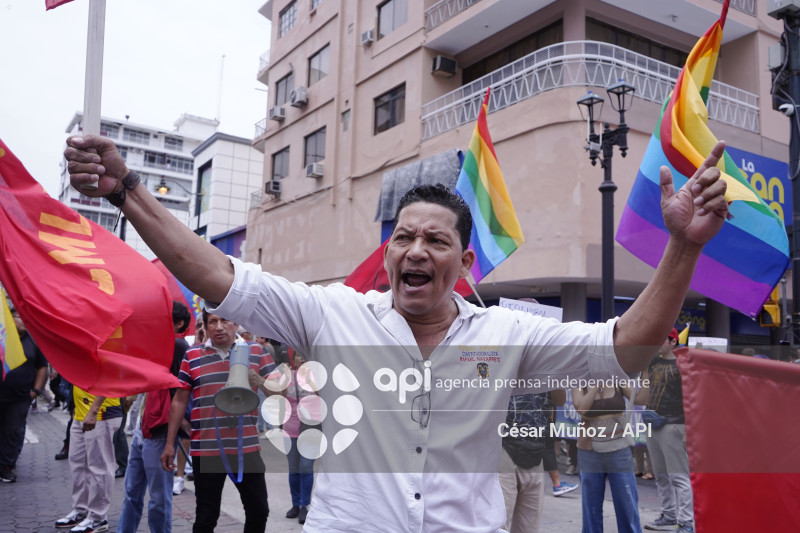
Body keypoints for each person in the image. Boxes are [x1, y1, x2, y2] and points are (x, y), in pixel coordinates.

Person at [64, 134, 729, 532]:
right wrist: (128, 191)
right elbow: (219, 275)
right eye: (403, 237)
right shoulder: (333, 314)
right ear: (387, 257)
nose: (415, 248)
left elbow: (627, 347)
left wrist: (682, 248)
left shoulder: (506, 333)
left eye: (435, 239)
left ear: (465, 264)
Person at [159, 310, 275, 533]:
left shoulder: (256, 351)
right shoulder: (192, 356)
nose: (219, 326)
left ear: (236, 323)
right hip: (206, 448)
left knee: (259, 511)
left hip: (246, 448)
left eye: (225, 320)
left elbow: (279, 394)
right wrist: (169, 444)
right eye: (212, 321)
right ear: (206, 326)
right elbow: (179, 401)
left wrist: (258, 380)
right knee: (205, 517)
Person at [117, 302, 191, 533]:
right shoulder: (159, 346)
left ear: (178, 324)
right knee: (131, 493)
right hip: (145, 427)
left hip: (160, 430)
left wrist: (174, 435)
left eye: (164, 319)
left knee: (158, 499)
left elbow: (181, 391)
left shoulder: (178, 346)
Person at [637, 329, 695, 533]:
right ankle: (669, 514)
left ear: (673, 342)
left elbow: (690, 398)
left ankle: (686, 521)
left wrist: (688, 429)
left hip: (673, 425)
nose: (657, 342)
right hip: (654, 423)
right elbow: (643, 394)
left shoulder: (683, 366)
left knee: (678, 475)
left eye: (662, 339)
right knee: (661, 474)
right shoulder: (653, 363)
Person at [573, 383, 641, 533]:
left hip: (619, 449)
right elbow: (581, 408)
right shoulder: (580, 380)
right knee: (591, 506)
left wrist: (646, 372)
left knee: (627, 503)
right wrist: (594, 386)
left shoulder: (618, 378)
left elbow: (641, 399)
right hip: (589, 451)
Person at [55, 387, 122, 533]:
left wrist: (93, 410)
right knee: (78, 464)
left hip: (100, 413)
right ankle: (82, 510)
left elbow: (107, 380)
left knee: (100, 467)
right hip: (82, 412)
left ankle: (98, 517)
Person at [0, 305, 48, 483]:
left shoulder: (33, 340)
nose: (25, 321)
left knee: (13, 432)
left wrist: (36, 391)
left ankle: (6, 467)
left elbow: (42, 367)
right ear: (10, 319)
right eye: (21, 317)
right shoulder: (2, 337)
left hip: (20, 397)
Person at [281, 352, 321, 524]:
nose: (302, 358)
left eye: (306, 356)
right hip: (290, 428)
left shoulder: (318, 376)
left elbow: (324, 398)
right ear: (294, 359)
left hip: (311, 428)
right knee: (293, 468)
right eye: (299, 356)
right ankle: (295, 504)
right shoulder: (288, 376)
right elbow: (280, 399)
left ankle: (305, 505)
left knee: (305, 467)